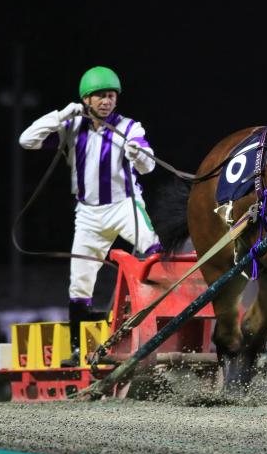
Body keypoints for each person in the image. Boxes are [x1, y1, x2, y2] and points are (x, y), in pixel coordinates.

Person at [19, 66, 161, 366]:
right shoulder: (72, 128)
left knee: (154, 254)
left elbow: (149, 167)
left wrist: (138, 153)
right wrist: (61, 115)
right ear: (85, 99)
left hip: (124, 207)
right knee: (79, 285)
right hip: (88, 215)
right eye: (99, 96)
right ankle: (76, 350)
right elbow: (27, 141)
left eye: (110, 95)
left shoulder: (130, 127)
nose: (106, 101)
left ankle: (158, 325)